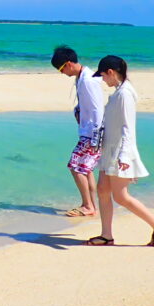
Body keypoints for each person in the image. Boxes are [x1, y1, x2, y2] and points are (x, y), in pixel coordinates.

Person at [85, 55, 154, 247]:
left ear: (111, 72)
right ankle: (106, 235)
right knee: (102, 190)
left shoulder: (125, 94)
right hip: (109, 149)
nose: (102, 80)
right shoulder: (119, 92)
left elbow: (128, 128)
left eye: (103, 76)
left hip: (119, 152)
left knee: (120, 196)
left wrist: (124, 157)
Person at [50, 45, 105, 217]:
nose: (62, 73)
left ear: (68, 64)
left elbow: (97, 109)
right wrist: (77, 111)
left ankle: (87, 206)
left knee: (75, 166)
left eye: (61, 69)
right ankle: (91, 205)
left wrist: (96, 138)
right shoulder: (81, 77)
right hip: (87, 131)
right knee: (85, 168)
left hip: (93, 133)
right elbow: (85, 104)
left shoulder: (88, 80)